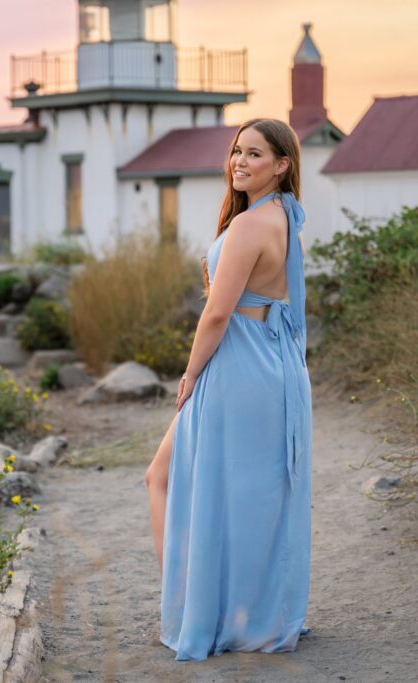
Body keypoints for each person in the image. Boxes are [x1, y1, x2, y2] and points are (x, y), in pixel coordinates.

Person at [144, 118, 313, 661]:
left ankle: (200, 611)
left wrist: (191, 373)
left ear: (282, 165)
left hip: (238, 362)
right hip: (271, 361)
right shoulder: (283, 216)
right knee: (242, 493)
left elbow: (217, 313)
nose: (239, 161)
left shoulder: (250, 225)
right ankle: (229, 612)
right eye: (237, 151)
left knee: (172, 478)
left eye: (255, 154)